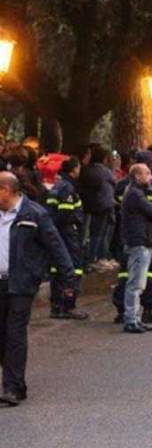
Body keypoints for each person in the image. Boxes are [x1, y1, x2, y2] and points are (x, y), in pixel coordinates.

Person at [0, 172, 78, 406]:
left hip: (22, 283)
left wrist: (68, 280)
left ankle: (12, 387)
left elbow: (56, 246)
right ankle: (16, 381)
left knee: (15, 334)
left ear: (6, 189)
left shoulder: (34, 214)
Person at [119, 164, 152, 333]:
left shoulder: (135, 193)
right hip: (139, 241)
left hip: (142, 241)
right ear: (137, 176)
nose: (151, 177)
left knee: (138, 283)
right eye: (147, 173)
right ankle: (131, 319)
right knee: (136, 283)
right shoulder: (136, 195)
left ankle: (135, 318)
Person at [44, 157, 88, 320]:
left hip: (57, 233)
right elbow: (66, 213)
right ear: (74, 169)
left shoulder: (56, 186)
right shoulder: (67, 188)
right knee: (73, 268)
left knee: (57, 269)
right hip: (68, 234)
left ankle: (56, 306)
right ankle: (68, 305)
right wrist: (74, 225)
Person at [79, 146, 117, 268]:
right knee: (100, 233)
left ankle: (92, 257)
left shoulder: (85, 171)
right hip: (103, 206)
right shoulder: (105, 172)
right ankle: (97, 257)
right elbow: (113, 182)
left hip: (90, 206)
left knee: (89, 233)